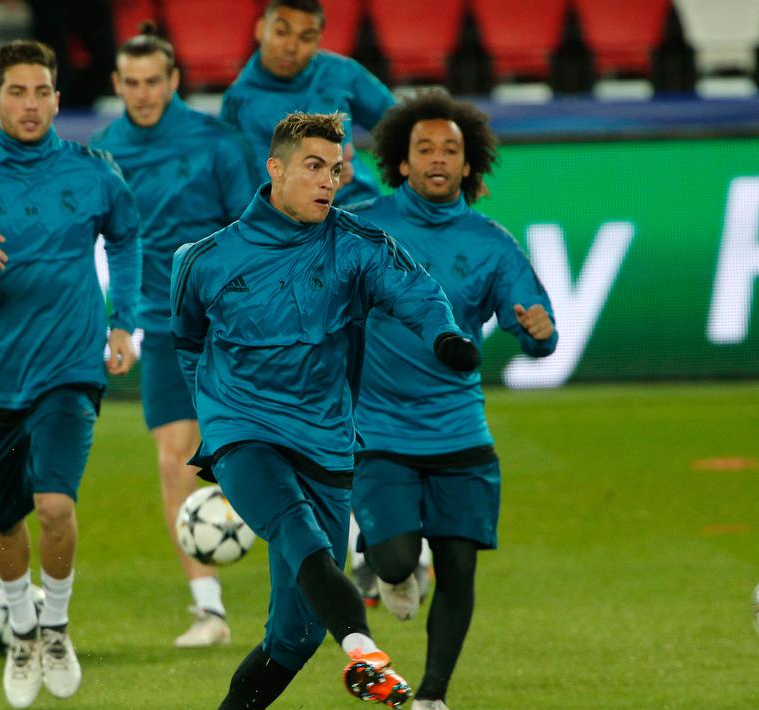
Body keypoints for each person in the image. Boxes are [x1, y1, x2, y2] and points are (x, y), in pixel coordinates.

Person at [171, 112, 481, 709]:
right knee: (297, 530)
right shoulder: (205, 258)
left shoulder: (357, 246)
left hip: (326, 442)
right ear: (276, 168)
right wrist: (214, 417)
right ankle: (364, 650)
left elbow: (418, 293)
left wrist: (445, 337)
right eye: (313, 167)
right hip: (245, 433)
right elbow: (186, 340)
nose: (327, 181)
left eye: (336, 170)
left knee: (294, 635)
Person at [0, 40, 141, 709]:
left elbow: (125, 236)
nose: (31, 104)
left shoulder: (95, 172)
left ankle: (57, 628)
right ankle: (19, 630)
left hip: (70, 367)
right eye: (17, 92)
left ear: (58, 100)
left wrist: (123, 321)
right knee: (6, 520)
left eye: (41, 92)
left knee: (55, 505)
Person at [343, 90, 557, 710]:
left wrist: (539, 333)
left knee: (460, 568)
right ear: (401, 163)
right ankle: (387, 567)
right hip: (379, 429)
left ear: (469, 165)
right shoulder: (366, 227)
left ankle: (433, 697)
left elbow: (537, 329)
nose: (438, 158)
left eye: (451, 150)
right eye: (424, 148)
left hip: (459, 429)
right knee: (394, 561)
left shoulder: (492, 243)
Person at [91, 22, 259, 649]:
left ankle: (349, 553)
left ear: (174, 81)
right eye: (130, 83)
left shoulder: (216, 142)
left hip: (234, 327)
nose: (142, 92)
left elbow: (250, 230)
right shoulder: (104, 152)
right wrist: (120, 322)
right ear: (116, 84)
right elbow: (114, 244)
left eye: (153, 81)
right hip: (163, 330)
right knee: (173, 463)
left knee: (278, 451)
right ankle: (209, 610)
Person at [220, 0, 395, 206]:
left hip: (360, 205)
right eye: (281, 32)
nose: (291, 47)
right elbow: (247, 191)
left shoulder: (340, 72)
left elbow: (401, 126)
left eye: (306, 37)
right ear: (260, 30)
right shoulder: (237, 104)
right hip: (288, 224)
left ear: (318, 40)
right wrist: (318, 182)